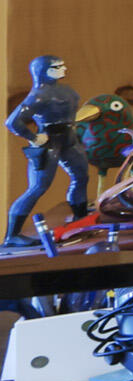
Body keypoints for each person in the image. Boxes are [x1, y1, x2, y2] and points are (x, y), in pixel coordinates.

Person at [6, 55, 91, 243]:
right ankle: (12, 235)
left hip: (69, 139)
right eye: (57, 67)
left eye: (62, 65)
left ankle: (80, 218)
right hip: (49, 142)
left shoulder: (67, 90)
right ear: (43, 71)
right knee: (38, 187)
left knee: (81, 177)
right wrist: (34, 137)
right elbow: (12, 122)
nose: (64, 69)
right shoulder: (38, 96)